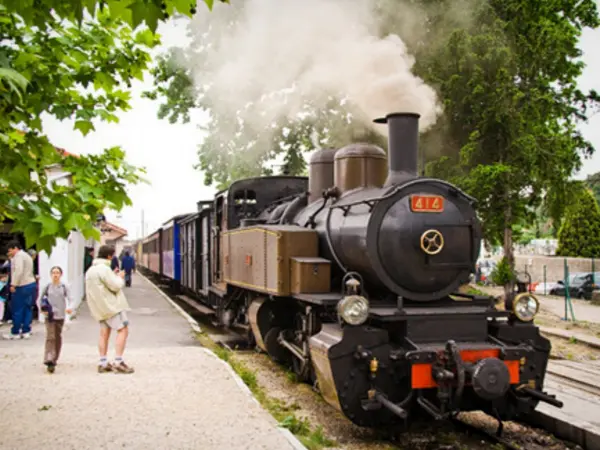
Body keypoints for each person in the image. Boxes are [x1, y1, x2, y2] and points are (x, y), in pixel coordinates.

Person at [85, 245, 134, 374]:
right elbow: (116, 285)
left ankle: (102, 362)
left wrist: (114, 275)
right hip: (111, 307)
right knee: (123, 330)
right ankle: (118, 361)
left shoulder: (91, 270)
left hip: (99, 307)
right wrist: (120, 276)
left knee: (104, 334)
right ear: (109, 256)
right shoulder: (104, 269)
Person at [39, 266, 74, 373]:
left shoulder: (64, 286)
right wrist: (41, 309)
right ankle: (49, 358)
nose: (55, 275)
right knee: (51, 336)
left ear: (60, 274)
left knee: (57, 336)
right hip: (49, 315)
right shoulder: (47, 286)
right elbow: (39, 299)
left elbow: (71, 298)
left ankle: (55, 356)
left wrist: (70, 308)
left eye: (57, 272)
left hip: (60, 315)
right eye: (53, 272)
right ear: (51, 274)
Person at [3, 240, 36, 340]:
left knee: (17, 309)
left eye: (10, 250)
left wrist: (13, 284)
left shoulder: (18, 257)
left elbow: (18, 271)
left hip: (21, 285)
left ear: (15, 248)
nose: (10, 253)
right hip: (30, 283)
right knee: (27, 308)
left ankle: (15, 332)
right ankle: (26, 330)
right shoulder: (27, 256)